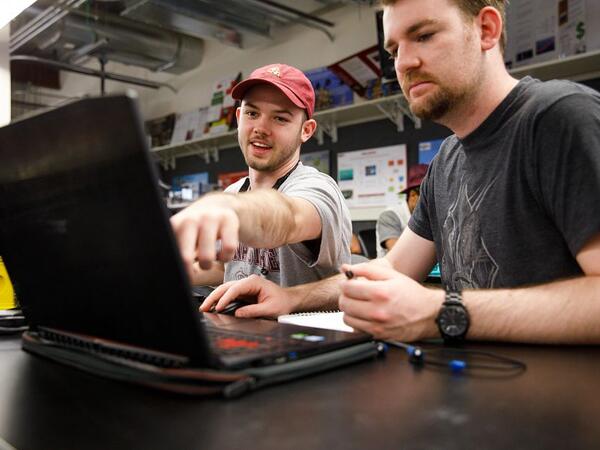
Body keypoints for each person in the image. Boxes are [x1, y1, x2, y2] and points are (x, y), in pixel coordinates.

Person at [202, 0, 600, 344]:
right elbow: (387, 271)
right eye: (394, 48)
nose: (404, 63)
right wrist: (291, 299)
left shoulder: (558, 117)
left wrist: (442, 311)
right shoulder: (447, 160)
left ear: (486, 29)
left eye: (424, 36)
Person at [171, 63, 352, 306]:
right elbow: (223, 266)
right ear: (238, 118)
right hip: (241, 330)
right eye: (252, 113)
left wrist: (225, 206)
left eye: (279, 118)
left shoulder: (317, 188)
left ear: (306, 130)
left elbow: (288, 217)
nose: (260, 129)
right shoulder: (233, 193)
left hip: (304, 335)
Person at [375, 163, 427, 257]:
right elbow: (397, 253)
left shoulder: (425, 216)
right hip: (391, 270)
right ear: (412, 195)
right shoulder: (389, 216)